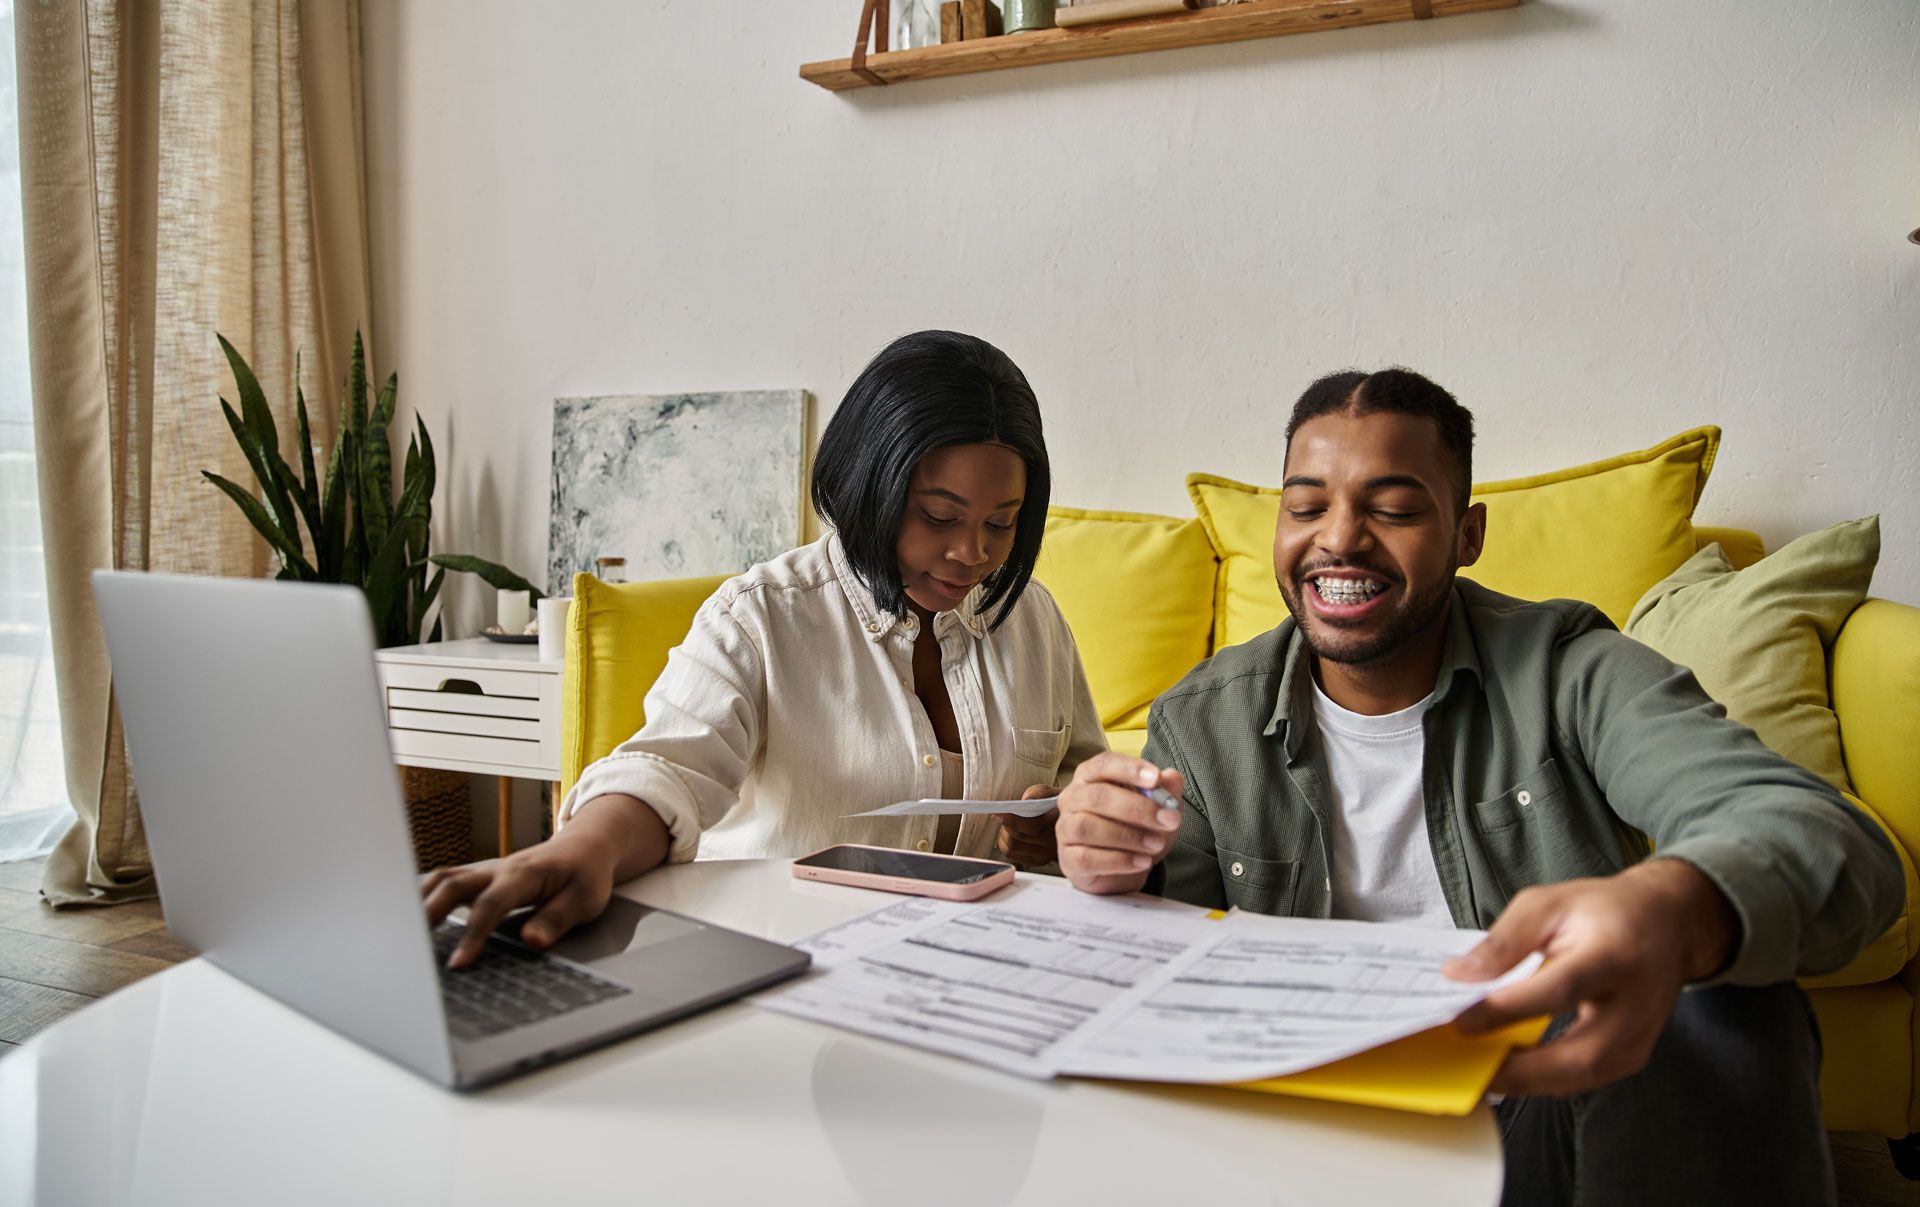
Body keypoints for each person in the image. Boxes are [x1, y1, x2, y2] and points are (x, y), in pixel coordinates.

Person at [1054, 368, 1902, 1205]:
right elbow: (1168, 989)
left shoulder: (1572, 669)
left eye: (1392, 508)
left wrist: (1678, 908)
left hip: (1532, 1116)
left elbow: (1821, 833)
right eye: (1307, 506)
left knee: (1720, 1002)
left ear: (1466, 535)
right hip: (1298, 1135)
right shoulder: (1202, 721)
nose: (1340, 539)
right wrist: (1119, 870)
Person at [426, 330, 1104, 968]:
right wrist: (584, 847)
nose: (973, 553)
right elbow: (667, 769)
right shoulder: (760, 618)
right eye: (938, 515)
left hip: (973, 977)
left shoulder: (1034, 620)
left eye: (1002, 523)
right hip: (784, 968)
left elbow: (1082, 787)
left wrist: (1066, 826)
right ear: (871, 485)